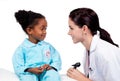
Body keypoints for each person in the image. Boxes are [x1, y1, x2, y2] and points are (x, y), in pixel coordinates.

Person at [67, 8, 120, 81]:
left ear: (84, 29)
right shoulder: (89, 51)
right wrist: (80, 77)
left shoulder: (105, 52)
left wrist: (82, 79)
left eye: (71, 28)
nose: (69, 33)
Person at [12, 10, 62, 81]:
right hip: (30, 73)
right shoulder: (21, 49)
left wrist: (51, 67)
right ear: (29, 30)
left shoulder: (48, 46)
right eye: (42, 29)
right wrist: (30, 69)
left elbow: (57, 59)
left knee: (53, 75)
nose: (45, 32)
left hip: (46, 71)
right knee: (27, 78)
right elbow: (18, 66)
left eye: (45, 28)